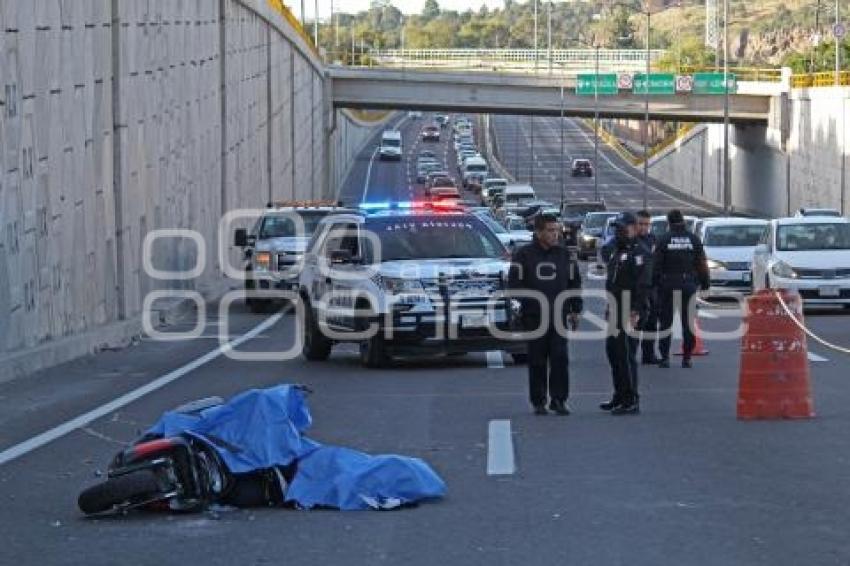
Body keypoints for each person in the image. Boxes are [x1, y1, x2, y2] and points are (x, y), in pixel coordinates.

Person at [508, 214, 583, 416]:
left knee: (560, 358)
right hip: (534, 317)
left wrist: (575, 309)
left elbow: (574, 282)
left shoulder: (563, 254)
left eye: (556, 230)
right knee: (537, 360)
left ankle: (559, 400)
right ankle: (538, 400)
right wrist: (529, 303)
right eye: (550, 230)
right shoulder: (524, 254)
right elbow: (514, 285)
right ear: (539, 232)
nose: (554, 234)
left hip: (559, 315)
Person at [600, 213, 652, 415]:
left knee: (626, 354)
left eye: (623, 228)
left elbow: (644, 285)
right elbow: (613, 282)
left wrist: (636, 311)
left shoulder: (640, 252)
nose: (619, 231)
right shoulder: (617, 250)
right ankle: (619, 395)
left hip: (631, 309)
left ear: (633, 228)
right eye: (617, 228)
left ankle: (631, 400)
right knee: (613, 352)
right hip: (616, 307)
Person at [653, 209, 710, 369]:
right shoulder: (693, 239)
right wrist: (705, 284)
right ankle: (687, 357)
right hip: (688, 285)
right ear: (683, 221)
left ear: (668, 222)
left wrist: (655, 285)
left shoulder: (663, 240)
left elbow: (656, 266)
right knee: (688, 324)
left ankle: (664, 357)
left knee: (665, 323)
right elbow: (702, 265)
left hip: (667, 285)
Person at [635, 210, 661, 364]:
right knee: (637, 322)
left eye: (646, 224)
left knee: (651, 323)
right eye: (641, 224)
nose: (643, 228)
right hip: (636, 288)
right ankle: (631, 352)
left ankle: (648, 354)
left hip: (652, 287)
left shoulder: (653, 239)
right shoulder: (631, 240)